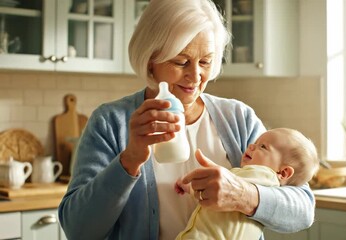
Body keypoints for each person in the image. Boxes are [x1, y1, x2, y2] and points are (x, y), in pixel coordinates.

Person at [58, 0, 316, 239]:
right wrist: (130, 159)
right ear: (151, 61)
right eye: (181, 62)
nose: (195, 76)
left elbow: (303, 210)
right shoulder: (110, 122)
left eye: (205, 61)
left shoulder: (238, 118)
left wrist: (242, 195)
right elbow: (78, 229)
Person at [175, 128, 319, 239]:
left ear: (283, 173)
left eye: (262, 147)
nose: (251, 145)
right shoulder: (257, 179)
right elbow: (218, 189)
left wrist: (190, 185)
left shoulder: (263, 175)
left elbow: (216, 188)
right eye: (255, 143)